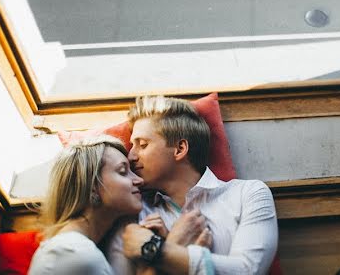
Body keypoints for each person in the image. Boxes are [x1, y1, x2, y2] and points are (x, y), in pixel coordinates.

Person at [105, 96, 278, 275]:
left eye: (142, 145)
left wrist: (156, 250)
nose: (131, 156)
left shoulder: (248, 195)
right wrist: (175, 243)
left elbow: (248, 271)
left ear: (180, 149)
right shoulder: (133, 213)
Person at [28, 135, 144, 275]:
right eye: (123, 172)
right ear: (92, 187)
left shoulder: (76, 247)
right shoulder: (74, 253)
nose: (139, 180)